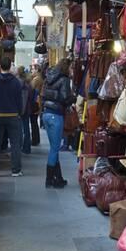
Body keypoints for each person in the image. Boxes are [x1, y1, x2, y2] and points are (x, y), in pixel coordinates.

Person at [41, 58, 76, 188]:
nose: (72, 70)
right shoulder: (64, 80)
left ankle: (58, 178)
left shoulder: (48, 77)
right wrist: (74, 97)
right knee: (54, 149)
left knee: (53, 148)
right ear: (66, 67)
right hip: (56, 115)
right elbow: (66, 97)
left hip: (46, 114)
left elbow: (44, 95)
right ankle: (49, 180)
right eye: (71, 67)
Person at [0, 57, 24, 177]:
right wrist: (20, 112)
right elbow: (20, 100)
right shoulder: (16, 82)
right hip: (13, 115)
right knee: (15, 143)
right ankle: (15, 169)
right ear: (10, 67)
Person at [16, 66, 33, 154]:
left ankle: (20, 146)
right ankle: (27, 147)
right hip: (27, 108)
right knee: (26, 129)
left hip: (19, 109)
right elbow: (31, 97)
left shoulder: (17, 83)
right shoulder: (28, 84)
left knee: (19, 129)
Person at [30, 65, 44, 146]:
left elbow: (31, 89)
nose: (32, 72)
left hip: (35, 102)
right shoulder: (39, 79)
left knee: (34, 122)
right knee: (34, 122)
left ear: (37, 70)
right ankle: (36, 139)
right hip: (37, 102)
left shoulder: (36, 79)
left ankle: (35, 139)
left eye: (33, 70)